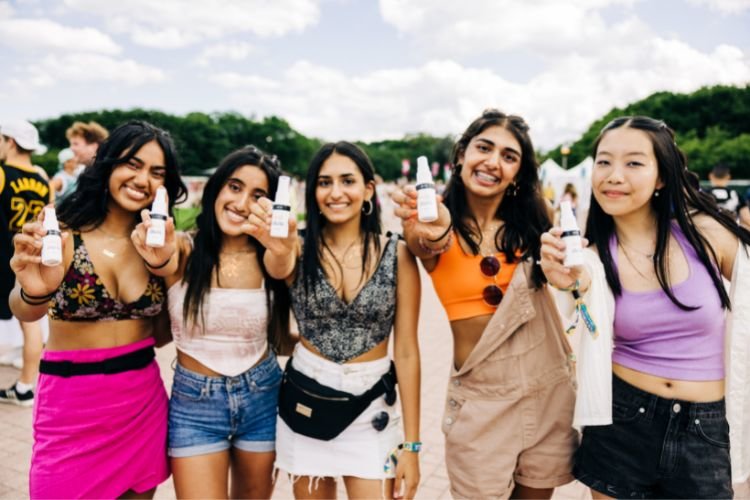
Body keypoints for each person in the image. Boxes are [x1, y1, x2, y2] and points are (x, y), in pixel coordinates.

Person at [540, 116, 750, 499]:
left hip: (705, 429)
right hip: (621, 421)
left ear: (661, 176)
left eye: (634, 163)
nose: (613, 175)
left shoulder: (704, 235)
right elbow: (580, 286)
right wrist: (566, 280)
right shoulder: (591, 257)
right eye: (604, 162)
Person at [392, 109, 577, 499]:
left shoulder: (534, 223)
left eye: (509, 156)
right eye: (484, 147)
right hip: (481, 400)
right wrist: (434, 226)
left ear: (518, 173)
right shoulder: (432, 218)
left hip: (547, 389)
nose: (493, 162)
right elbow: (428, 240)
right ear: (461, 154)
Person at [9, 120, 187, 499]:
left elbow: (165, 335)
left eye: (157, 172)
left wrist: (168, 271)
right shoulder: (63, 229)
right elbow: (24, 310)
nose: (143, 179)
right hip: (71, 407)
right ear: (107, 164)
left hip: (141, 403)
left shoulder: (164, 244)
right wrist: (34, 292)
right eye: (132, 164)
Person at [249, 141, 421, 499]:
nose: (336, 192)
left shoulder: (398, 253)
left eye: (347, 181)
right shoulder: (294, 246)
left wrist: (413, 446)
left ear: (368, 189)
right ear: (312, 192)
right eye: (324, 182)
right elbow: (276, 265)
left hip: (373, 407)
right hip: (306, 400)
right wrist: (277, 246)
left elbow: (406, 351)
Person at [134, 146, 294, 498]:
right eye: (234, 187)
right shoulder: (184, 249)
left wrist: (282, 248)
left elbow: (284, 265)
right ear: (216, 189)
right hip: (195, 406)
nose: (241, 202)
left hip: (263, 396)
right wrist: (157, 255)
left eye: (258, 195)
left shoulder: (272, 255)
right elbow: (162, 260)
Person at [0, 120, 51, 407]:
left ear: (10, 141)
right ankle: (25, 386)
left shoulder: (2, 173)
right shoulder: (43, 179)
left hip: (3, 256)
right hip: (28, 258)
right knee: (30, 325)